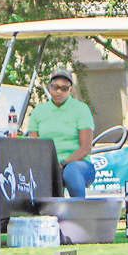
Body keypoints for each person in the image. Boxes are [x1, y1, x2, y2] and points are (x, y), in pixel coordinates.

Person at [28, 69, 96, 198]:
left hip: (78, 165)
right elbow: (34, 145)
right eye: (55, 87)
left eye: (64, 88)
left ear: (70, 90)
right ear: (49, 87)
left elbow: (85, 147)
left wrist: (63, 164)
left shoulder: (81, 109)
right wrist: (49, 166)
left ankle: (79, 208)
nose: (59, 91)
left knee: (71, 170)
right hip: (48, 165)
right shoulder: (39, 110)